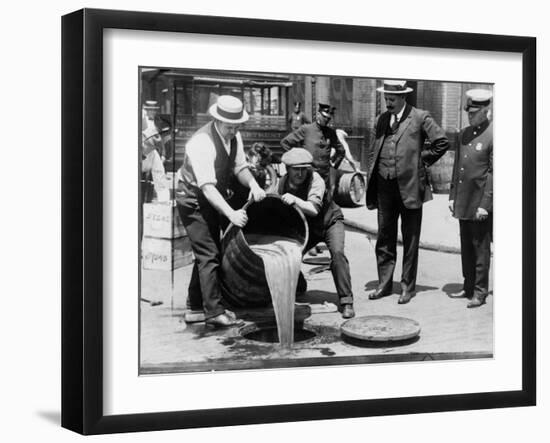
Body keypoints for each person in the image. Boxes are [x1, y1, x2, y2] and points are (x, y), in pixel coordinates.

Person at [176, 95, 266, 327]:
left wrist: (254, 184)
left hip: (210, 196)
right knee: (209, 254)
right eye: (228, 127)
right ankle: (214, 312)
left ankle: (194, 307)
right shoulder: (201, 142)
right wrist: (231, 214)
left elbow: (240, 167)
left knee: (208, 251)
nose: (232, 131)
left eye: (236, 127)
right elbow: (207, 187)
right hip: (192, 198)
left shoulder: (234, 136)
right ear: (217, 119)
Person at [365, 80, 449, 304]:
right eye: (386, 99)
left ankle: (407, 288)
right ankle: (384, 284)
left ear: (403, 97)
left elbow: (442, 142)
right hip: (384, 187)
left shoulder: (420, 117)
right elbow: (373, 152)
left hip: (410, 187)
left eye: (392, 99)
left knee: (410, 240)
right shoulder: (381, 120)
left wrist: (420, 161)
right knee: (384, 237)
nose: (388, 103)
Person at [278, 148, 355, 319]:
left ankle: (346, 301)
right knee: (290, 253)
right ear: (287, 169)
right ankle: (299, 285)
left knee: (337, 253)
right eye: (295, 169)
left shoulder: (316, 179)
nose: (300, 173)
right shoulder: (282, 184)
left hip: (330, 222)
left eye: (303, 168)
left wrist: (295, 199)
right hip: (308, 228)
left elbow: (313, 209)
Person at [448, 89, 493, 308]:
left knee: (480, 248)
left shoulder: (493, 134)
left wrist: (486, 204)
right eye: (469, 112)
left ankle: (480, 291)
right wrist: (452, 195)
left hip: (479, 201)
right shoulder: (464, 134)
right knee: (466, 245)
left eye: (474, 113)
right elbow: (458, 166)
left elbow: (494, 173)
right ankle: (468, 286)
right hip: (464, 200)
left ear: (486, 111)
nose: (470, 116)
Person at [281, 102, 346, 198]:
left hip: (324, 177)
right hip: (307, 176)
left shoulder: (331, 133)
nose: (326, 120)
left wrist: (334, 165)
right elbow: (285, 142)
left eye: (328, 118)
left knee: (324, 203)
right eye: (324, 117)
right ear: (318, 115)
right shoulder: (306, 129)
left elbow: (341, 151)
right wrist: (297, 160)